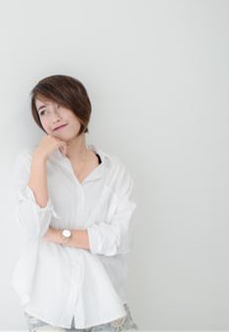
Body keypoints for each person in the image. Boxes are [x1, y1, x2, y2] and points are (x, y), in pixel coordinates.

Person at [10, 75, 139, 332]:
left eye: (61, 106)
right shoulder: (32, 161)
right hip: (49, 306)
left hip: (104, 302)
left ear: (80, 105)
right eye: (44, 111)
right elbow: (34, 227)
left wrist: (58, 235)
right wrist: (40, 159)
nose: (54, 117)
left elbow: (119, 237)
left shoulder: (114, 170)